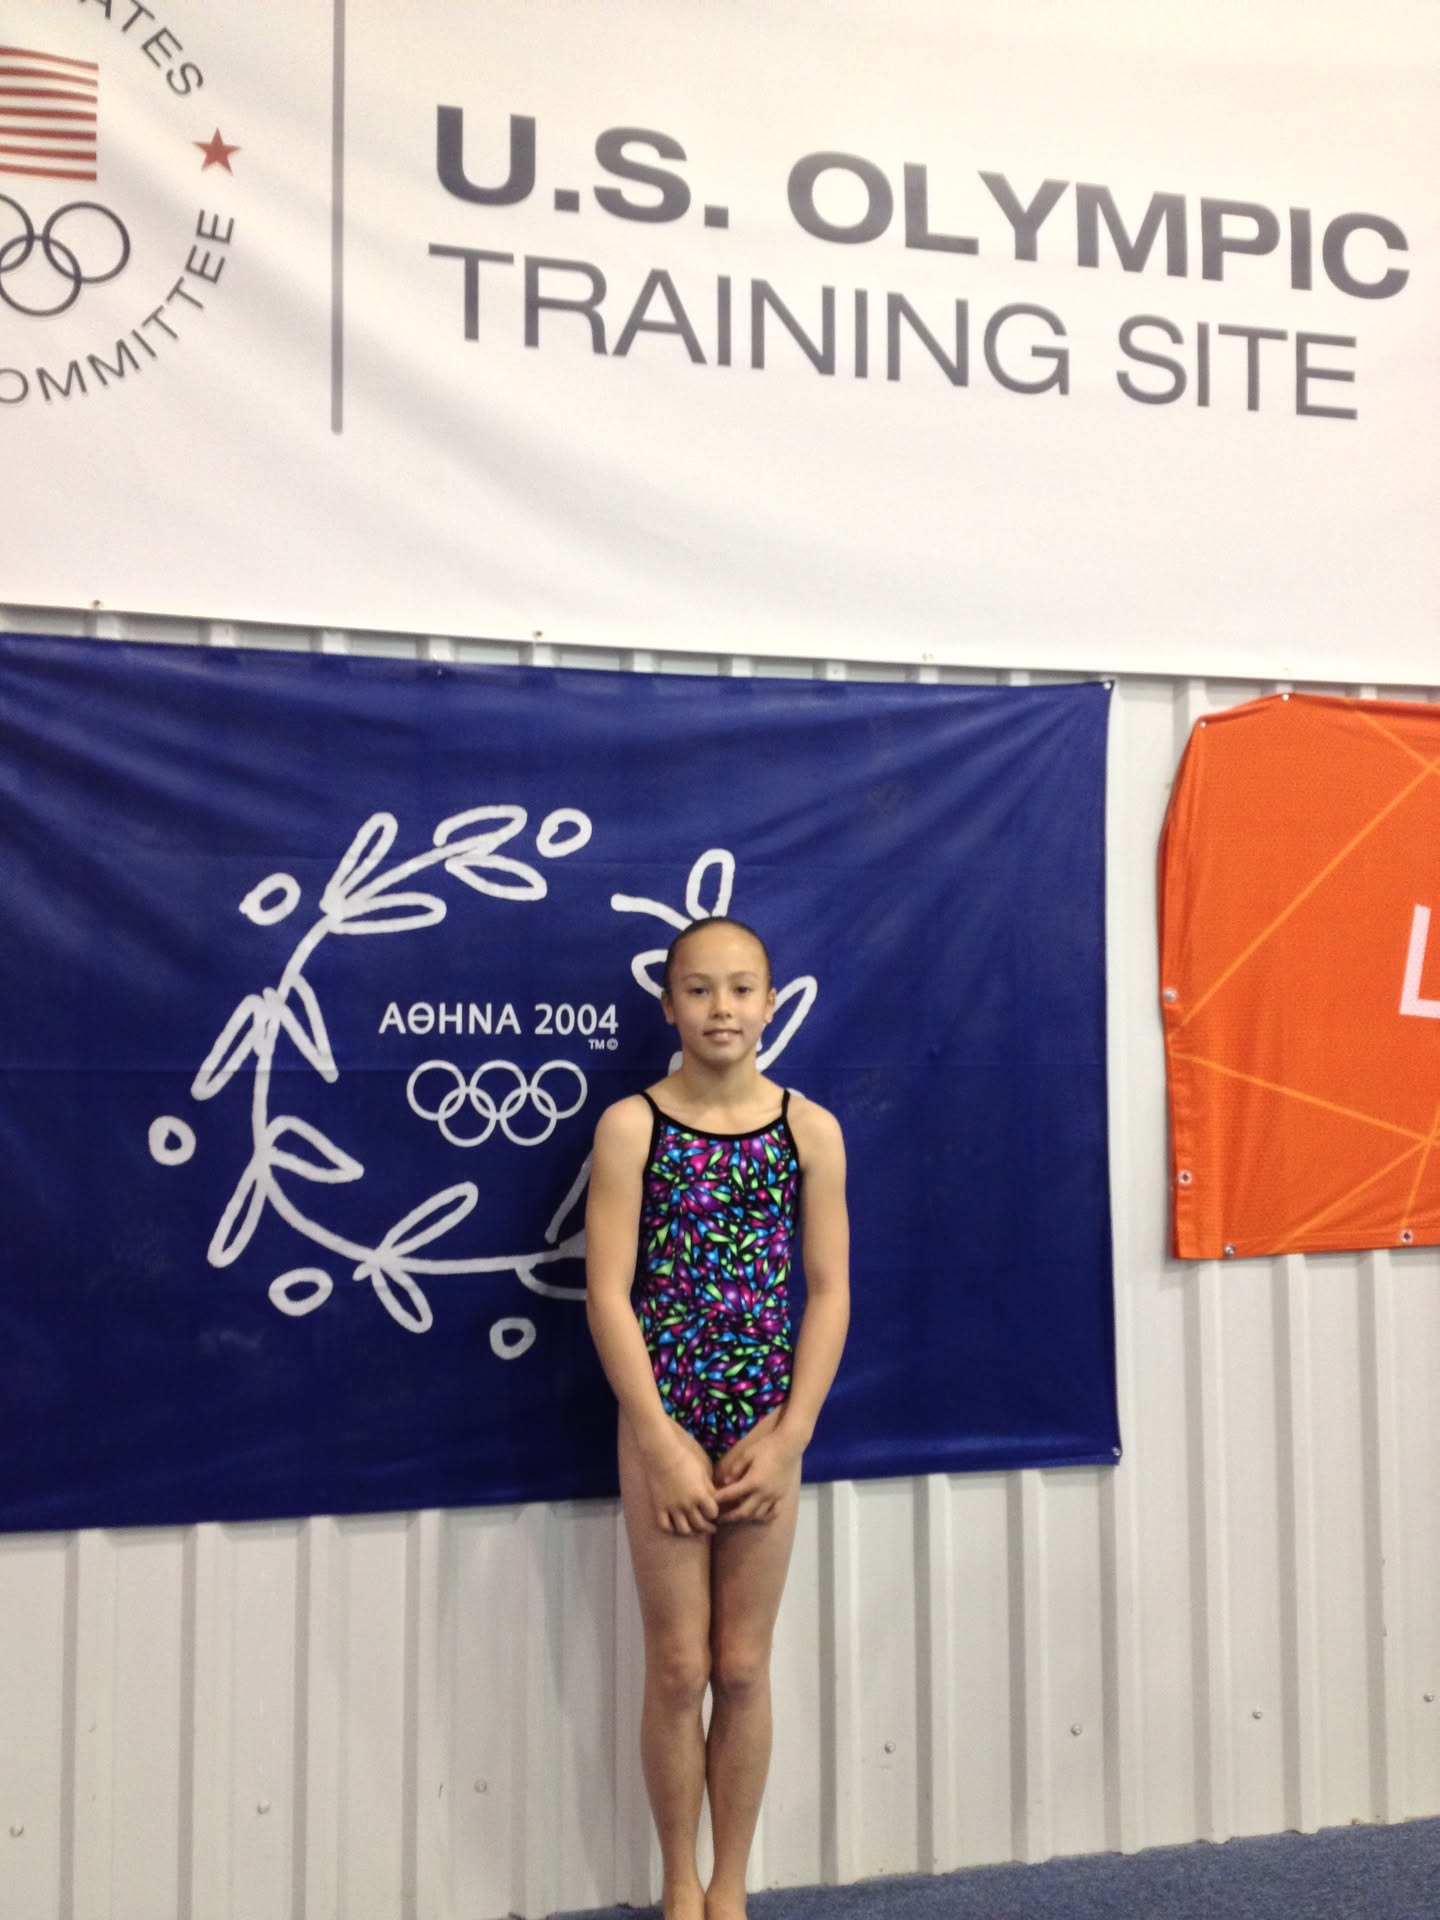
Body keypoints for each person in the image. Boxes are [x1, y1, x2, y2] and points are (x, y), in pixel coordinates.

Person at [586, 915, 850, 1920]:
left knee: (740, 1668)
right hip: (664, 1423)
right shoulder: (633, 1128)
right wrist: (658, 1440)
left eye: (741, 989)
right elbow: (608, 1293)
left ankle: (730, 1883)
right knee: (678, 1665)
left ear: (771, 1004)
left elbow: (829, 1292)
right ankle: (679, 1882)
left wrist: (791, 1437)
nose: (721, 1008)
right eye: (698, 990)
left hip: (763, 1432)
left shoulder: (808, 1131)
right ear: (669, 1006)